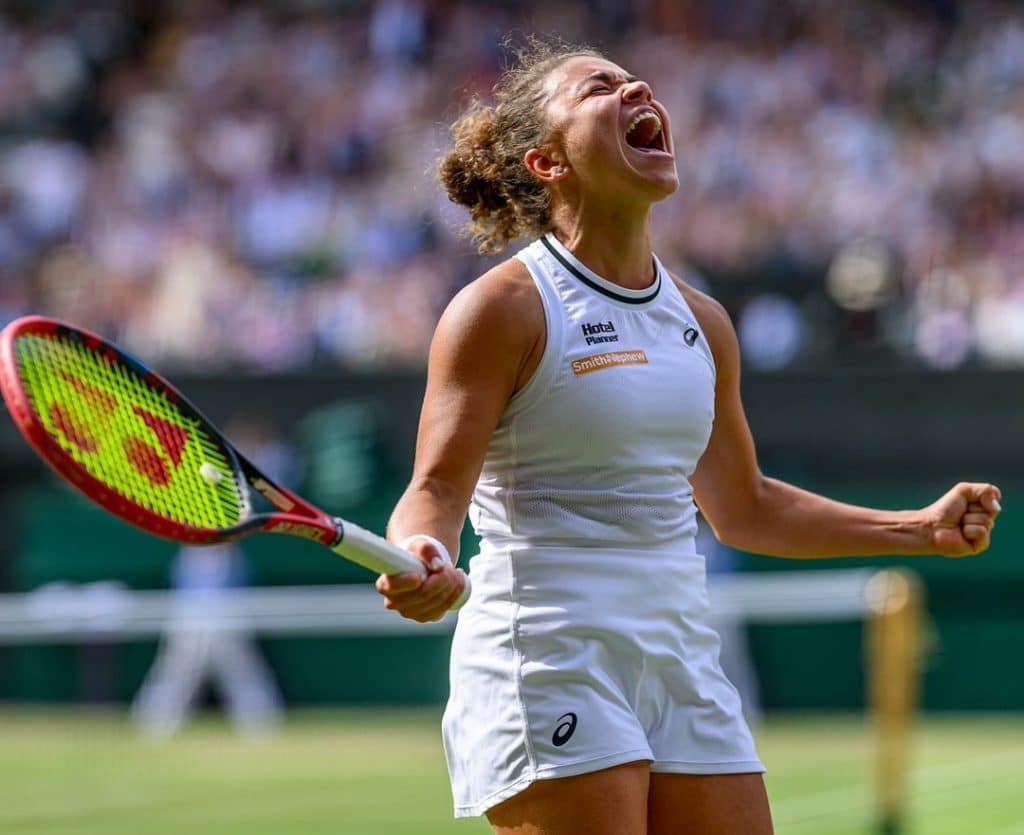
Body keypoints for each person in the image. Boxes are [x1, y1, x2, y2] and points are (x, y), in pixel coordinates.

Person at [373, 38, 1002, 835]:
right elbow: (433, 491)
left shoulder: (703, 323)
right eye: (598, 87)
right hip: (550, 652)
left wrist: (916, 528)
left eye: (634, 78)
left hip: (680, 654)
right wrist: (423, 548)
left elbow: (745, 506)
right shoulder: (502, 308)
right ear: (547, 163)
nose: (635, 85)